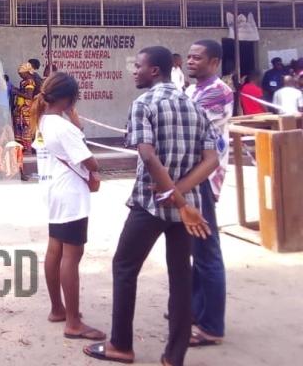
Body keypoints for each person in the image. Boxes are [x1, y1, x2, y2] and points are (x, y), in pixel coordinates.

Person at [84, 46, 219, 366]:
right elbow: (211, 160)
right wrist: (182, 199)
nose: (134, 71)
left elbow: (147, 154)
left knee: (124, 267)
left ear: (154, 71)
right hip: (187, 211)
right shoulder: (194, 105)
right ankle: (174, 356)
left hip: (150, 205)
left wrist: (170, 194)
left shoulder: (144, 103)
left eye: (138, 66)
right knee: (181, 277)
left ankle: (120, 345)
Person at [33, 72, 105, 342]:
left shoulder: (43, 121)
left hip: (53, 192)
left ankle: (57, 308)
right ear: (70, 99)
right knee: (71, 257)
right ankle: (73, 322)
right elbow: (91, 162)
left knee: (55, 249)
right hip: (70, 196)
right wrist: (78, 127)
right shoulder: (65, 127)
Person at [185, 40, 234, 347]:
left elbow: (190, 125)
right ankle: (195, 309)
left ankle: (211, 326)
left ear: (214, 62)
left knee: (207, 252)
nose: (191, 61)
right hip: (193, 175)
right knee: (198, 250)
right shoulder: (194, 91)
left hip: (204, 177)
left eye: (197, 58)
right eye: (189, 56)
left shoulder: (217, 91)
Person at [12, 63, 38, 150]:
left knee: (26, 128)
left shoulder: (30, 82)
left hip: (26, 108)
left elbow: (29, 96)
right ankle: (22, 147)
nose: (20, 75)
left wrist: (17, 92)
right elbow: (23, 93)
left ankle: (28, 148)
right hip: (20, 108)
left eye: (21, 74)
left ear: (26, 72)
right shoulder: (23, 82)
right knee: (20, 127)